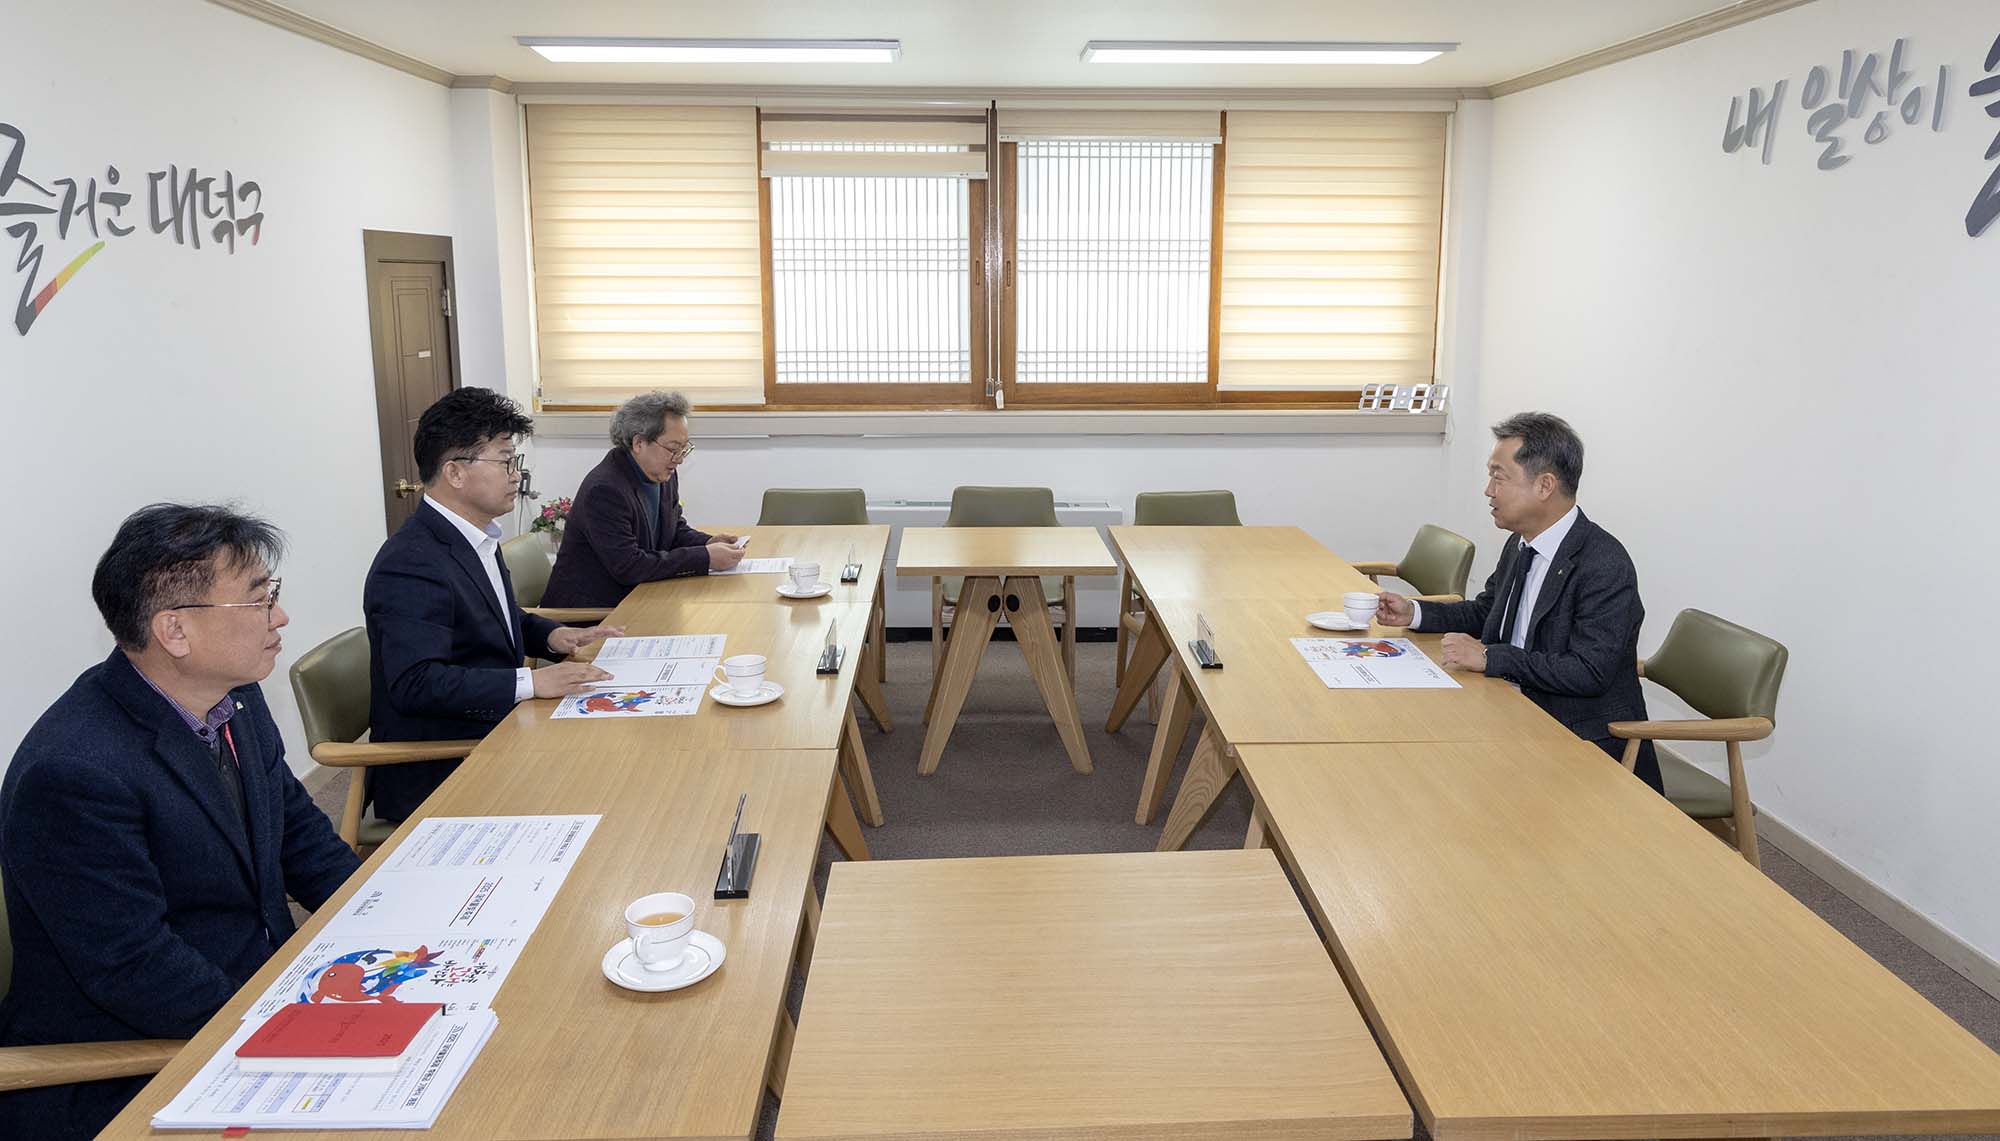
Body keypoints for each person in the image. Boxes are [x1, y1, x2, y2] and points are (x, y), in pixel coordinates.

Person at [0, 505, 362, 1139]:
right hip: (134, 1064)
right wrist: (291, 1030)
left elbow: (301, 836)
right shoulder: (74, 772)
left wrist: (383, 918)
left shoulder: (234, 696)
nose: (280, 616)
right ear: (174, 630)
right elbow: (136, 970)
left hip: (254, 990)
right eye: (258, 599)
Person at [364, 387, 618, 822]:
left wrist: (551, 636)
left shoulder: (471, 536)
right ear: (455, 473)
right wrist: (531, 682)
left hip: (496, 728)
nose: (516, 476)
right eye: (505, 461)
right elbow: (418, 683)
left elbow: (493, 616)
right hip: (444, 763)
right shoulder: (410, 562)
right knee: (604, 781)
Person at [1376, 412, 1660, 792]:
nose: (1488, 490)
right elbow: (1487, 611)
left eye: (1499, 476)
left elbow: (1588, 671)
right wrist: (1415, 612)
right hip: (1509, 710)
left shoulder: (1604, 565)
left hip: (1580, 740)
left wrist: (1492, 657)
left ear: (1545, 486)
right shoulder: (1522, 542)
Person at [542, 390, 743, 608]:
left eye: (684, 449)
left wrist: (707, 543)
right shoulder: (605, 490)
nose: (679, 460)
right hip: (592, 613)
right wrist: (704, 557)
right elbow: (629, 566)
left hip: (641, 597)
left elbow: (673, 530)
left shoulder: (663, 474)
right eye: (673, 449)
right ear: (638, 443)